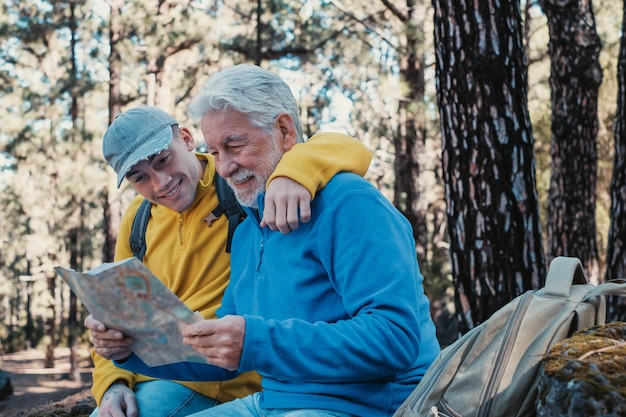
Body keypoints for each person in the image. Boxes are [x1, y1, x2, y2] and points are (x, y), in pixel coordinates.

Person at [109, 64, 440, 417]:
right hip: (272, 403)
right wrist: (131, 348)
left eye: (234, 145)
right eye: (216, 152)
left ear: (284, 130)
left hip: (367, 405)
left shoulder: (350, 203)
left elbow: (395, 338)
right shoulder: (249, 229)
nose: (224, 168)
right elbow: (223, 358)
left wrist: (256, 341)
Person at [85, 105, 373, 417]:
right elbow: (115, 310)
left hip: (229, 376)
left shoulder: (240, 182)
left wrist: (295, 174)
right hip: (158, 370)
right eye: (140, 177)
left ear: (185, 138)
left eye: (163, 160)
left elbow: (352, 149)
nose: (160, 183)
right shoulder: (138, 219)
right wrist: (112, 381)